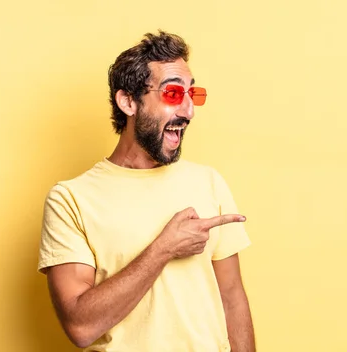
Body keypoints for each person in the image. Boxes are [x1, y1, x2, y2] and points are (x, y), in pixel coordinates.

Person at [37, 30, 255, 352]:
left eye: (191, 95)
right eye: (172, 94)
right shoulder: (70, 200)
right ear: (128, 102)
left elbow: (232, 297)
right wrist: (164, 248)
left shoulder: (208, 182)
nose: (188, 112)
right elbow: (80, 326)